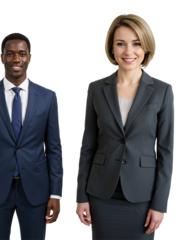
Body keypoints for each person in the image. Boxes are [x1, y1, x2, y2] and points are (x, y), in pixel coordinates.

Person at [74, 13, 175, 240]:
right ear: (111, 48)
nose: (128, 52)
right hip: (101, 195)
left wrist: (161, 204)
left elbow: (167, 153)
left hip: (143, 196)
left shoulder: (162, 90)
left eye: (136, 43)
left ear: (146, 47)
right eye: (121, 44)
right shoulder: (96, 89)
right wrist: (80, 195)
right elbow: (87, 146)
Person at [0, 32, 64, 239]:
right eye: (10, 54)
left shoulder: (48, 97)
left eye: (21, 54)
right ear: (1, 58)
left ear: (30, 58)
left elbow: (54, 148)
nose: (16, 59)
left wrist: (56, 193)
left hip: (36, 190)